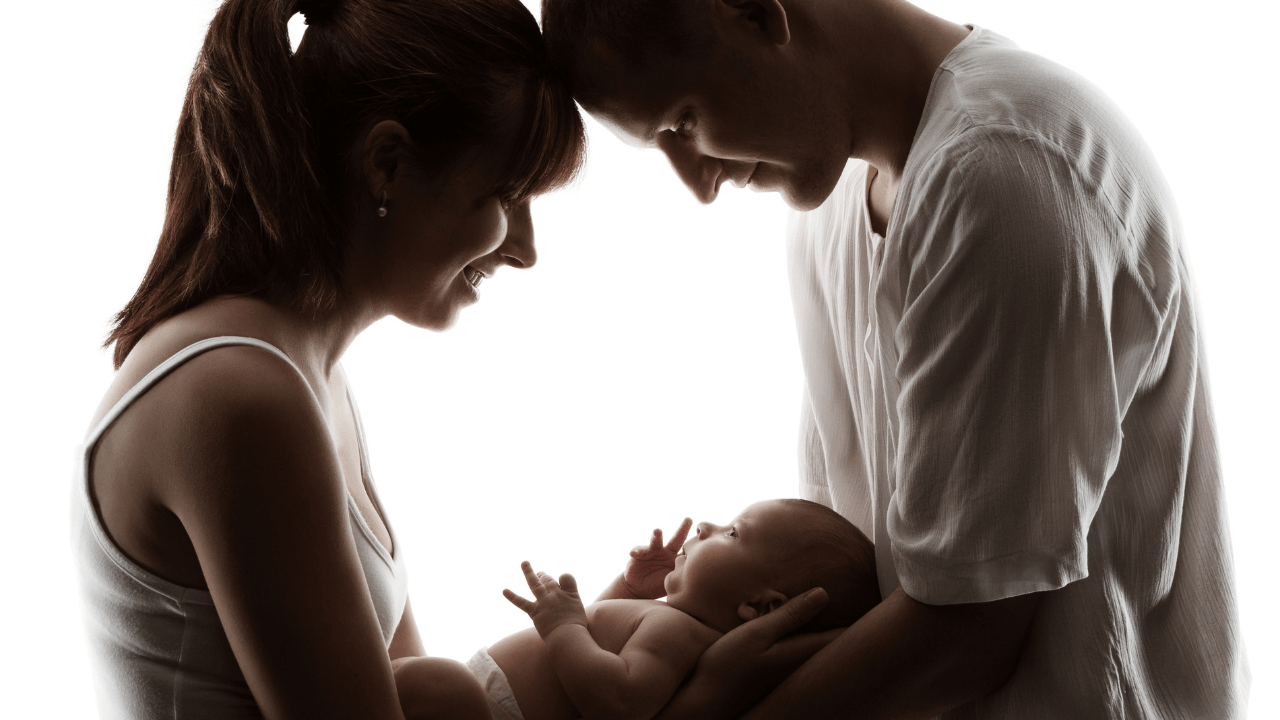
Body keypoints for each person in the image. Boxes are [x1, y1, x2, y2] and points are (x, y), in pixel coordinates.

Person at [537, 0, 1248, 718]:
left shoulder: (1004, 172)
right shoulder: (833, 200)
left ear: (754, 12)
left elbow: (964, 631)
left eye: (682, 123)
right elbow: (859, 576)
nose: (699, 184)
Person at [71, 0, 583, 718]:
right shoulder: (242, 394)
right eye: (507, 194)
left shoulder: (309, 375)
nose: (526, 250)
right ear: (388, 165)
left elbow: (409, 685)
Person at [396, 500, 879, 720]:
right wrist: (627, 588)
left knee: (434, 685)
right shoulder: (671, 624)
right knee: (417, 682)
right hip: (495, 700)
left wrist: (561, 627)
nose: (708, 523)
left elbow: (618, 700)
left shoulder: (682, 635)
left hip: (496, 709)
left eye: (734, 532)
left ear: (759, 605)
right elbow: (601, 638)